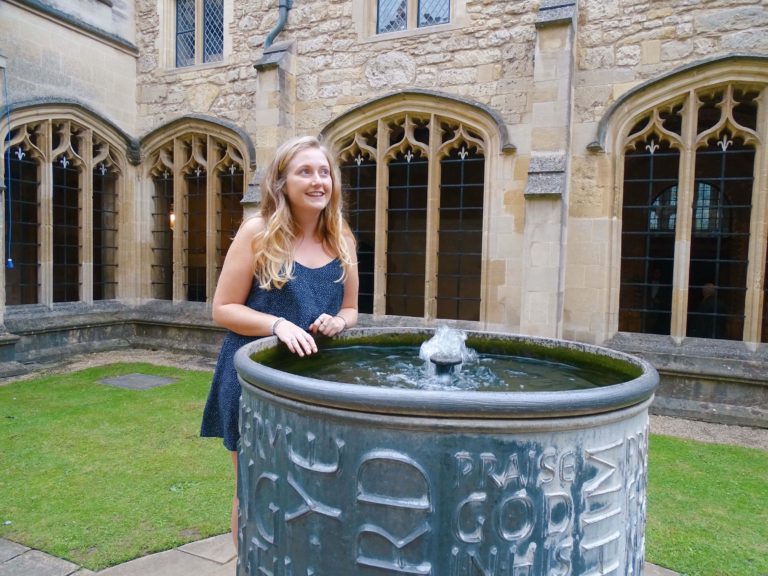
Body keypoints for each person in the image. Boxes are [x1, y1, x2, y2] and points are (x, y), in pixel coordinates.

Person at [200, 136, 359, 548]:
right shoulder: (258, 232)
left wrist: (337, 323)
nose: (317, 180)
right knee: (256, 490)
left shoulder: (341, 236)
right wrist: (277, 324)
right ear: (282, 182)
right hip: (256, 381)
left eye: (324, 172)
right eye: (305, 171)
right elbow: (222, 308)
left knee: (311, 493)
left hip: (315, 384)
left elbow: (352, 309)